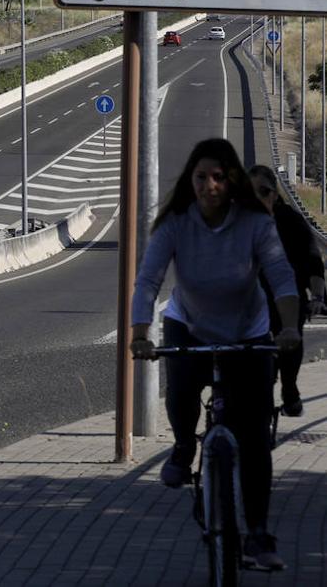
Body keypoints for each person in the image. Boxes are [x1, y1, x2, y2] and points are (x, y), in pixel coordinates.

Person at [131, 138, 300, 572]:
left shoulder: (254, 224)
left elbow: (280, 275)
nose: (210, 185)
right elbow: (149, 281)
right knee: (182, 391)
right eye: (201, 177)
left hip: (249, 330)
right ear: (191, 180)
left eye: (219, 177)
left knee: (256, 438)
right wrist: (140, 335)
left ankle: (258, 535)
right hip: (189, 321)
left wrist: (289, 329)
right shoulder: (175, 225)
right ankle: (184, 446)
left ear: (232, 182)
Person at [248, 164, 326, 416]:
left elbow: (313, 260)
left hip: (287, 300)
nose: (257, 198)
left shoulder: (291, 220)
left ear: (274, 193)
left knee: (290, 341)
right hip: (250, 302)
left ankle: (290, 387)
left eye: (264, 191)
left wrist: (317, 296)